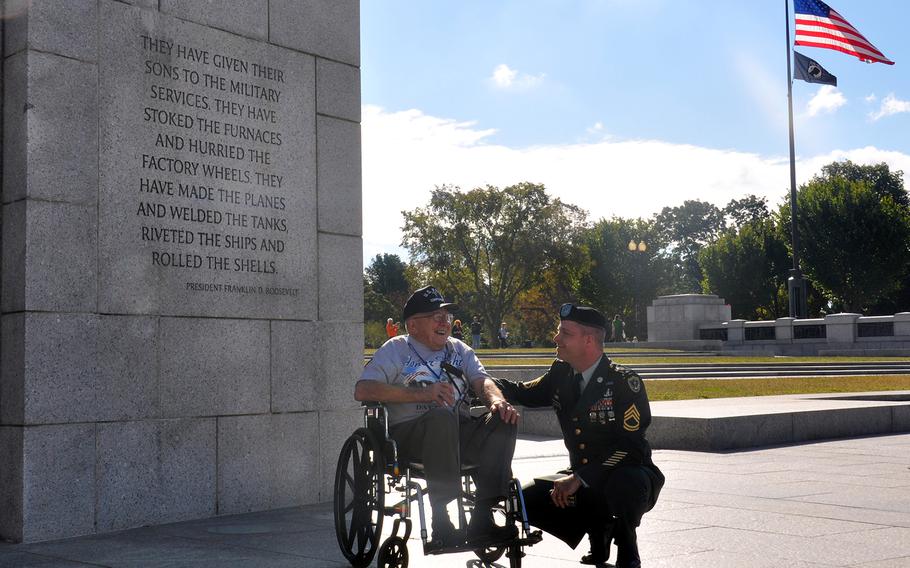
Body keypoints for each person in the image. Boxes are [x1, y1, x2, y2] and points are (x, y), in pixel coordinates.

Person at [494, 304, 664, 568]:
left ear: (588, 340)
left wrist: (580, 478)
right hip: (580, 474)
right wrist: (477, 383)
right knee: (524, 502)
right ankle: (600, 527)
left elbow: (630, 448)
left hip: (631, 473)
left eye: (565, 332)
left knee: (623, 484)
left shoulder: (624, 382)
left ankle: (627, 542)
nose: (556, 338)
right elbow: (522, 392)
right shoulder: (561, 373)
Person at [355, 286, 521, 549]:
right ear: (413, 325)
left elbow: (481, 381)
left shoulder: (459, 349)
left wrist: (497, 400)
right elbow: (363, 389)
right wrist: (422, 395)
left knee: (504, 418)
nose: (444, 321)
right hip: (410, 436)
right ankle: (441, 519)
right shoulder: (397, 349)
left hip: (459, 431)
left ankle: (482, 518)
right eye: (436, 316)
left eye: (446, 315)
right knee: (441, 417)